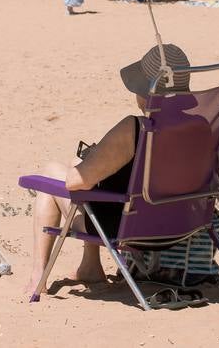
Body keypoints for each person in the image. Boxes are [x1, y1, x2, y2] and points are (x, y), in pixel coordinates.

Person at [26, 44, 190, 295]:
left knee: (52, 172)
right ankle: (90, 267)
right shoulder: (203, 127)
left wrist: (96, 158)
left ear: (144, 93)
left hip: (127, 228)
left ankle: (38, 276)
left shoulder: (135, 129)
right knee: (76, 162)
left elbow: (75, 183)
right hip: (179, 223)